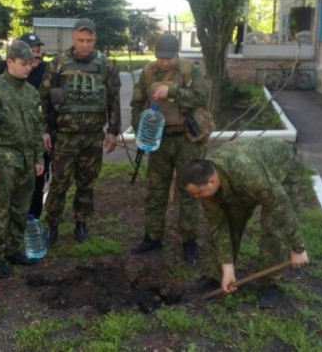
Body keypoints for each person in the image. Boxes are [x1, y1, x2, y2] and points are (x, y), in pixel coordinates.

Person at [176, 138, 310, 308]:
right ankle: (218, 276)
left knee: (273, 227)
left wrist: (298, 247)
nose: (197, 197)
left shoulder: (246, 172)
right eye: (193, 194)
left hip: (283, 168)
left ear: (211, 181)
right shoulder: (207, 187)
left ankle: (268, 283)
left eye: (199, 193)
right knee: (232, 220)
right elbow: (218, 226)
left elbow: (280, 205)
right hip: (245, 175)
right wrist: (227, 267)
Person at [39, 18, 121, 246]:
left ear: (95, 40)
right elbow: (43, 101)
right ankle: (52, 225)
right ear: (73, 38)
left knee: (87, 183)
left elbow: (113, 100)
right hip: (64, 137)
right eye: (81, 40)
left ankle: (81, 222)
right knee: (59, 183)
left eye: (90, 40)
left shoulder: (107, 65)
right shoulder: (57, 65)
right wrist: (44, 131)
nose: (85, 44)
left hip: (93, 137)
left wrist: (113, 130)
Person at [129, 33, 210, 262]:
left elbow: (202, 98)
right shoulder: (148, 72)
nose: (164, 62)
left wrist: (171, 91)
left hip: (185, 139)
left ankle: (189, 240)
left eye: (168, 58)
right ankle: (152, 237)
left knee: (189, 190)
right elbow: (137, 103)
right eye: (160, 57)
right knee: (156, 191)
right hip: (159, 140)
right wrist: (140, 128)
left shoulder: (190, 70)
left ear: (176, 54)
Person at [0, 40, 45, 278]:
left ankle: (14, 249)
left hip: (26, 162)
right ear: (10, 62)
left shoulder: (31, 92)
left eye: (32, 63)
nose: (29, 68)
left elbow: (37, 127)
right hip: (3, 163)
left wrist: (39, 158)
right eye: (24, 63)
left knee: (20, 209)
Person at [0, 33, 50, 219]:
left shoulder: (41, 78)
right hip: (6, 157)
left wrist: (40, 154)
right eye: (25, 62)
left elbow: (39, 119)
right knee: (3, 208)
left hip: (32, 151)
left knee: (31, 194)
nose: (30, 66)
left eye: (35, 56)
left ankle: (30, 227)